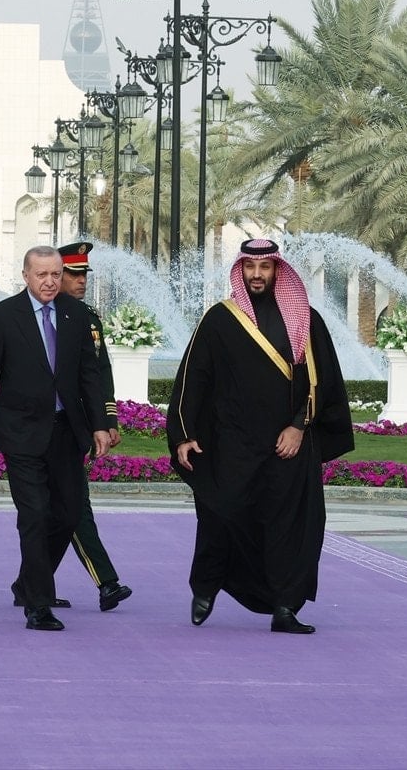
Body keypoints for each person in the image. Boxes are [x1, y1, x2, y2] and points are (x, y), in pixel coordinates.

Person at [166, 239, 354, 634]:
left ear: (277, 271)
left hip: (289, 445)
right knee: (221, 515)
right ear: (241, 270)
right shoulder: (219, 319)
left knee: (293, 527)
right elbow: (193, 380)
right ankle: (206, 586)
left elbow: (322, 382)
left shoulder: (306, 320)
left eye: (264, 267)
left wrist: (299, 426)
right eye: (249, 267)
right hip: (232, 444)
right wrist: (183, 434)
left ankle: (285, 608)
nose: (256, 274)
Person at [0, 245, 112, 631]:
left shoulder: (76, 314)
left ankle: (28, 583)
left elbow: (89, 374)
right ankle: (39, 604)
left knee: (68, 514)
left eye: (55, 274)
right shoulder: (4, 315)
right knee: (33, 515)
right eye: (42, 275)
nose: (50, 282)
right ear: (26, 276)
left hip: (66, 432)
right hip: (21, 433)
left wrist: (100, 424)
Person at [56, 241, 133, 612]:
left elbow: (101, 371)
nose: (81, 280)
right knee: (73, 506)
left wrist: (108, 419)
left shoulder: (88, 317)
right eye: (74, 273)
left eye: (84, 274)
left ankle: (28, 583)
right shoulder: (44, 317)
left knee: (62, 508)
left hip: (78, 428)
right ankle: (107, 582)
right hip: (49, 427)